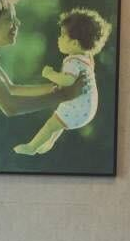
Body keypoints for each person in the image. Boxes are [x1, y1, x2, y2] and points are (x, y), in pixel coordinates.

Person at [14, 8, 112, 155]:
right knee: (58, 122)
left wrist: (50, 74)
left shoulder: (73, 62)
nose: (58, 39)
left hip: (77, 109)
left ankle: (32, 147)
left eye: (62, 35)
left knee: (50, 125)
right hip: (87, 109)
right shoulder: (87, 58)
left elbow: (67, 80)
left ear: (75, 43)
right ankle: (49, 142)